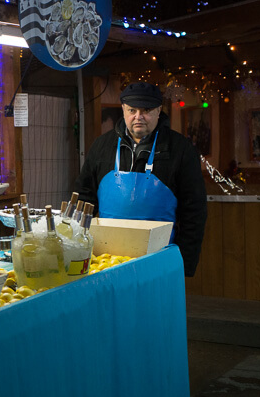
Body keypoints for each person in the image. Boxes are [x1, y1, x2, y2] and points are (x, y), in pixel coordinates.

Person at [75, 82, 207, 276]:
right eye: (132, 110)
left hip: (159, 257)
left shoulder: (180, 149)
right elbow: (84, 198)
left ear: (159, 111)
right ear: (123, 110)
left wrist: (183, 263)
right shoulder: (102, 146)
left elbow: (194, 212)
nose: (138, 117)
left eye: (146, 110)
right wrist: (77, 248)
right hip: (105, 258)